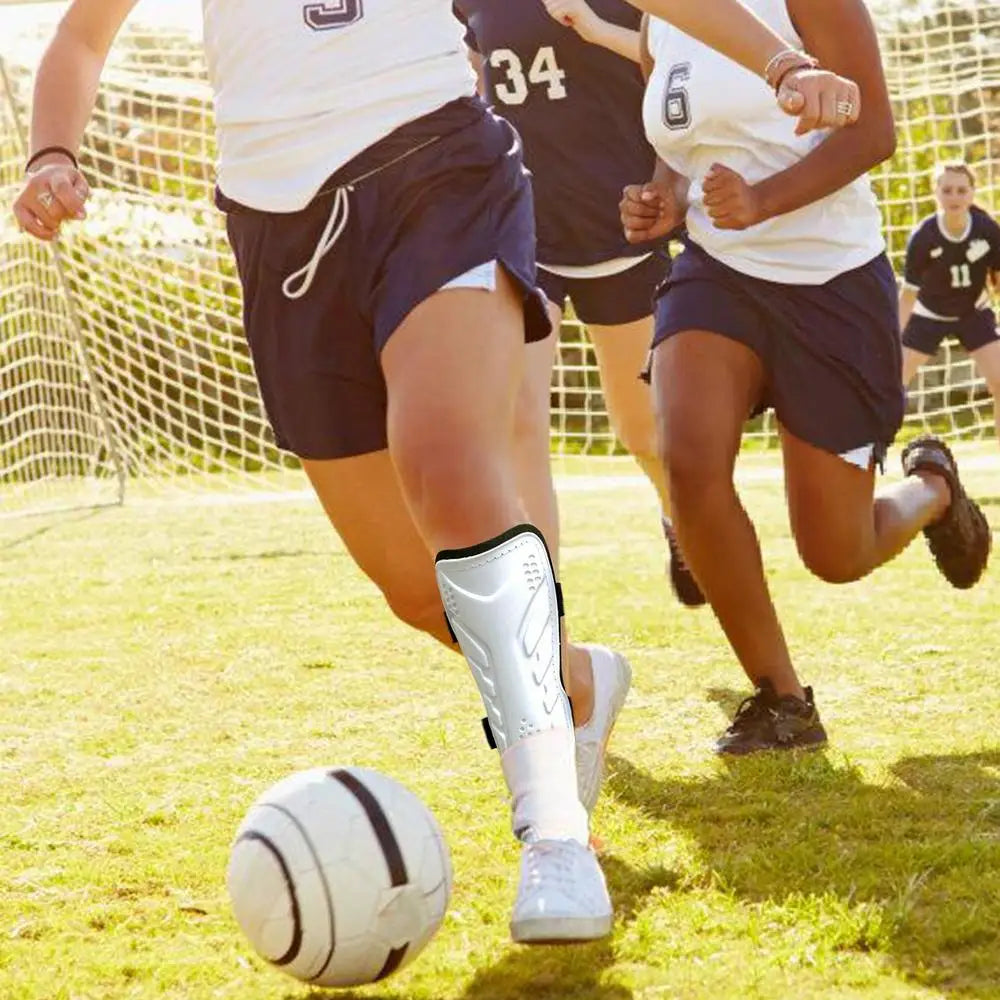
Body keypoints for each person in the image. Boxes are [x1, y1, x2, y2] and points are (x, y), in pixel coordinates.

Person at [13, 0, 864, 941]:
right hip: (277, 228)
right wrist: (52, 154)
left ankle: (556, 837)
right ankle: (575, 680)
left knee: (451, 472)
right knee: (417, 589)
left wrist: (782, 63)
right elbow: (81, 37)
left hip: (436, 169)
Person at [621, 0, 992, 755]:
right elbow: (680, 150)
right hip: (718, 271)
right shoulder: (663, 16)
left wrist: (763, 201)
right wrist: (664, 198)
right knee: (687, 460)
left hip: (832, 284)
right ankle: (782, 700)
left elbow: (875, 131)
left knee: (836, 553)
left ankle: (933, 489)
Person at [453, 0, 704, 606]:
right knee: (518, 422)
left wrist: (597, 30)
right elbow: (476, 75)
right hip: (521, 227)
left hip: (620, 223)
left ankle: (681, 521)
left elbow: (681, 64)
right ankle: (543, 620)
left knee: (641, 429)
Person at [899, 162, 1000, 446]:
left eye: (961, 190)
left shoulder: (987, 230)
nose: (954, 196)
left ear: (972, 193)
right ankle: (872, 449)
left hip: (973, 312)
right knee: (891, 385)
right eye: (947, 190)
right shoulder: (923, 237)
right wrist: (892, 335)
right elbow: (908, 294)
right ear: (936, 193)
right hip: (929, 314)